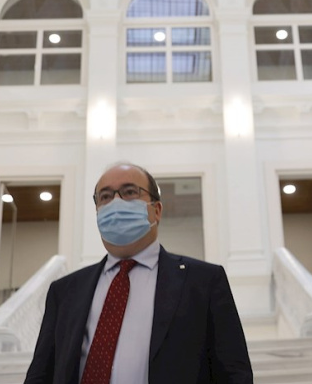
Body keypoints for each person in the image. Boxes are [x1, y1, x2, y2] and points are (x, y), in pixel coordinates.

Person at [24, 162, 253, 384]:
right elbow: (41, 374)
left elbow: (234, 373)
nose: (116, 202)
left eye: (130, 192)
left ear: (156, 210)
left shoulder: (203, 282)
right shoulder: (65, 291)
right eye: (105, 196)